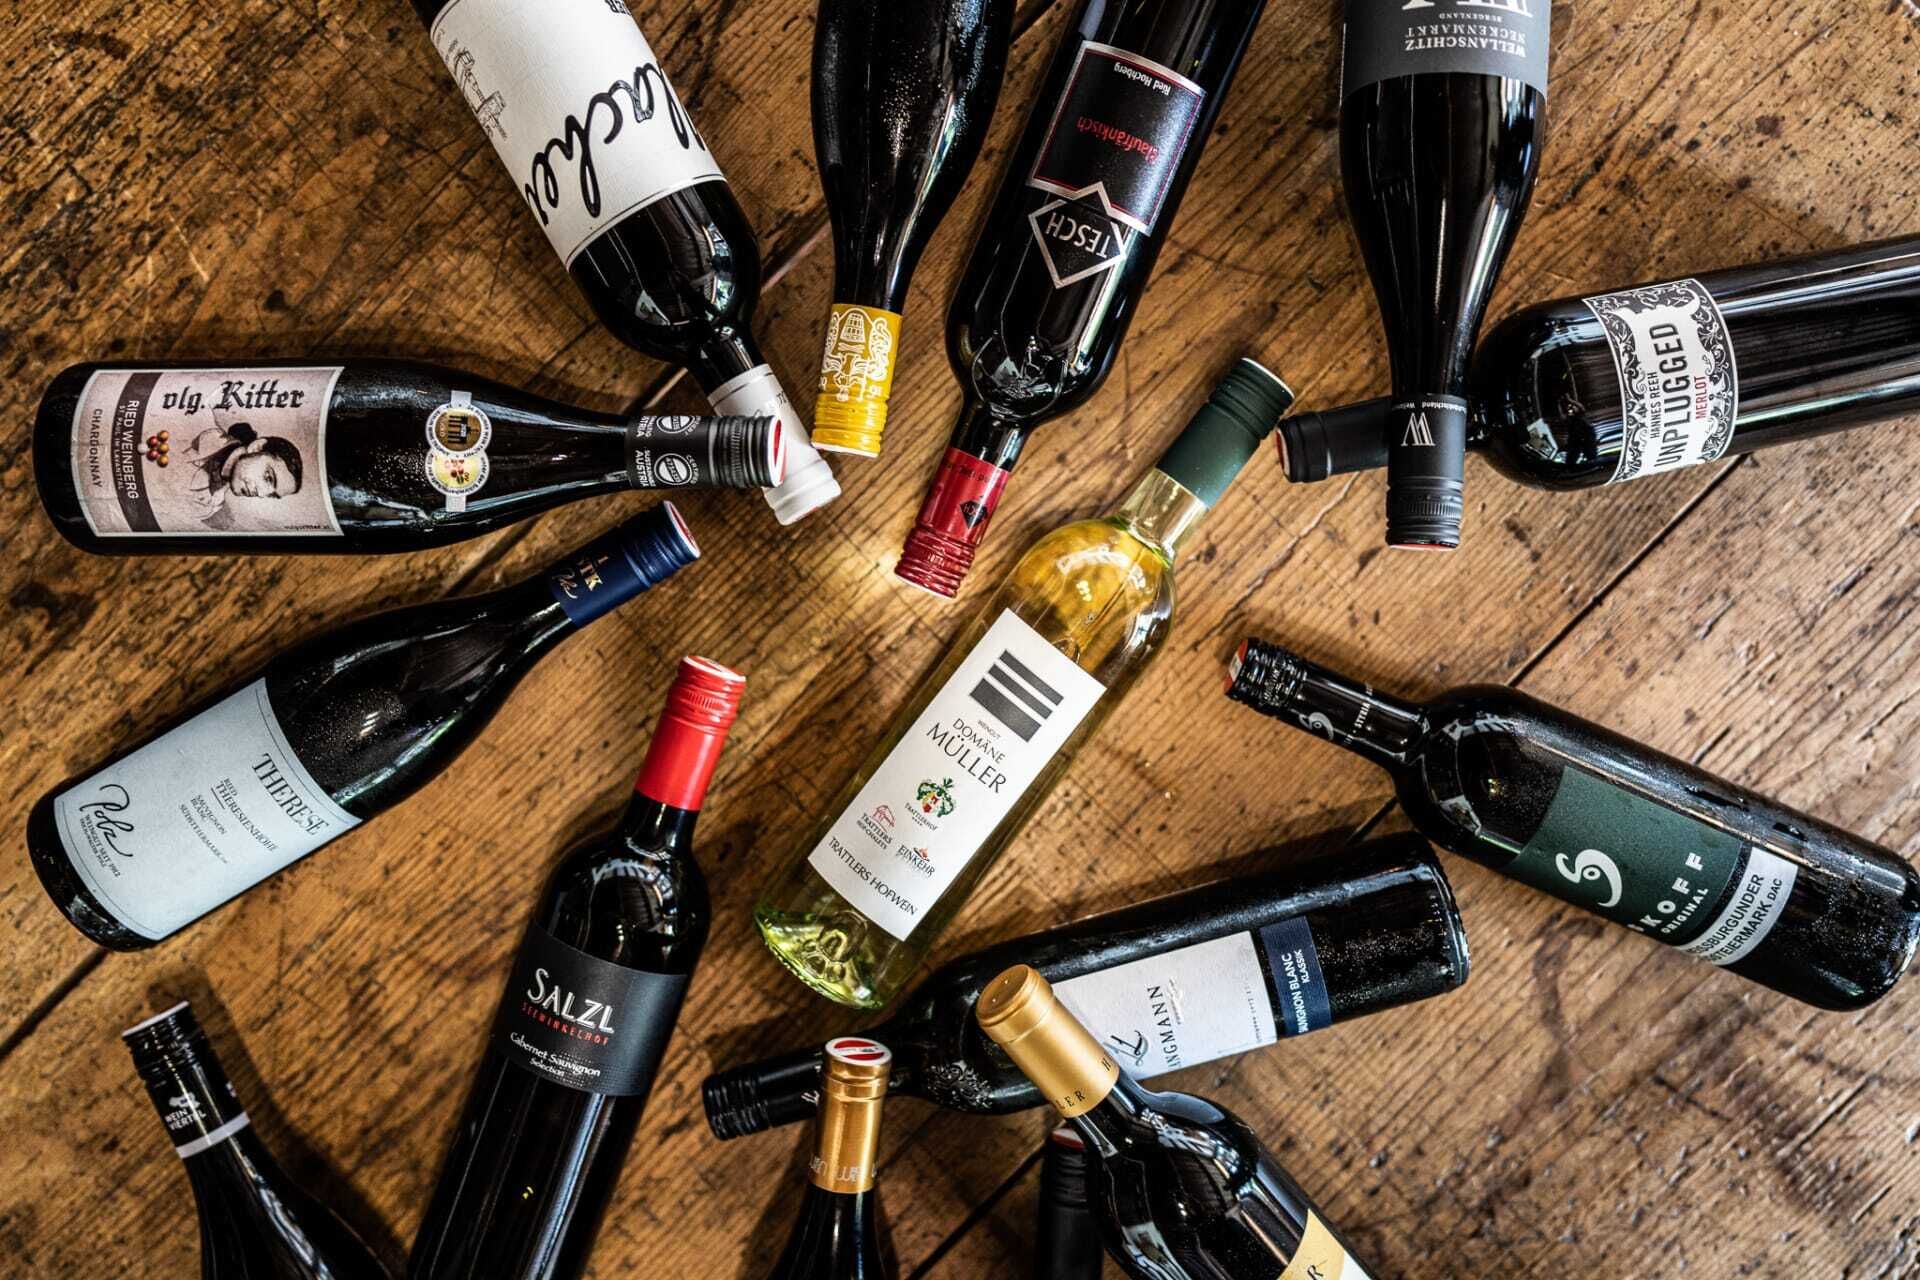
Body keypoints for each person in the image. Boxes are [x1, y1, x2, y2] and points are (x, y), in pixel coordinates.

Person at [177, 420, 304, 526]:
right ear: (257, 448)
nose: (260, 494)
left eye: (271, 495)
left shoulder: (213, 502)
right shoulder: (207, 436)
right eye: (268, 477)